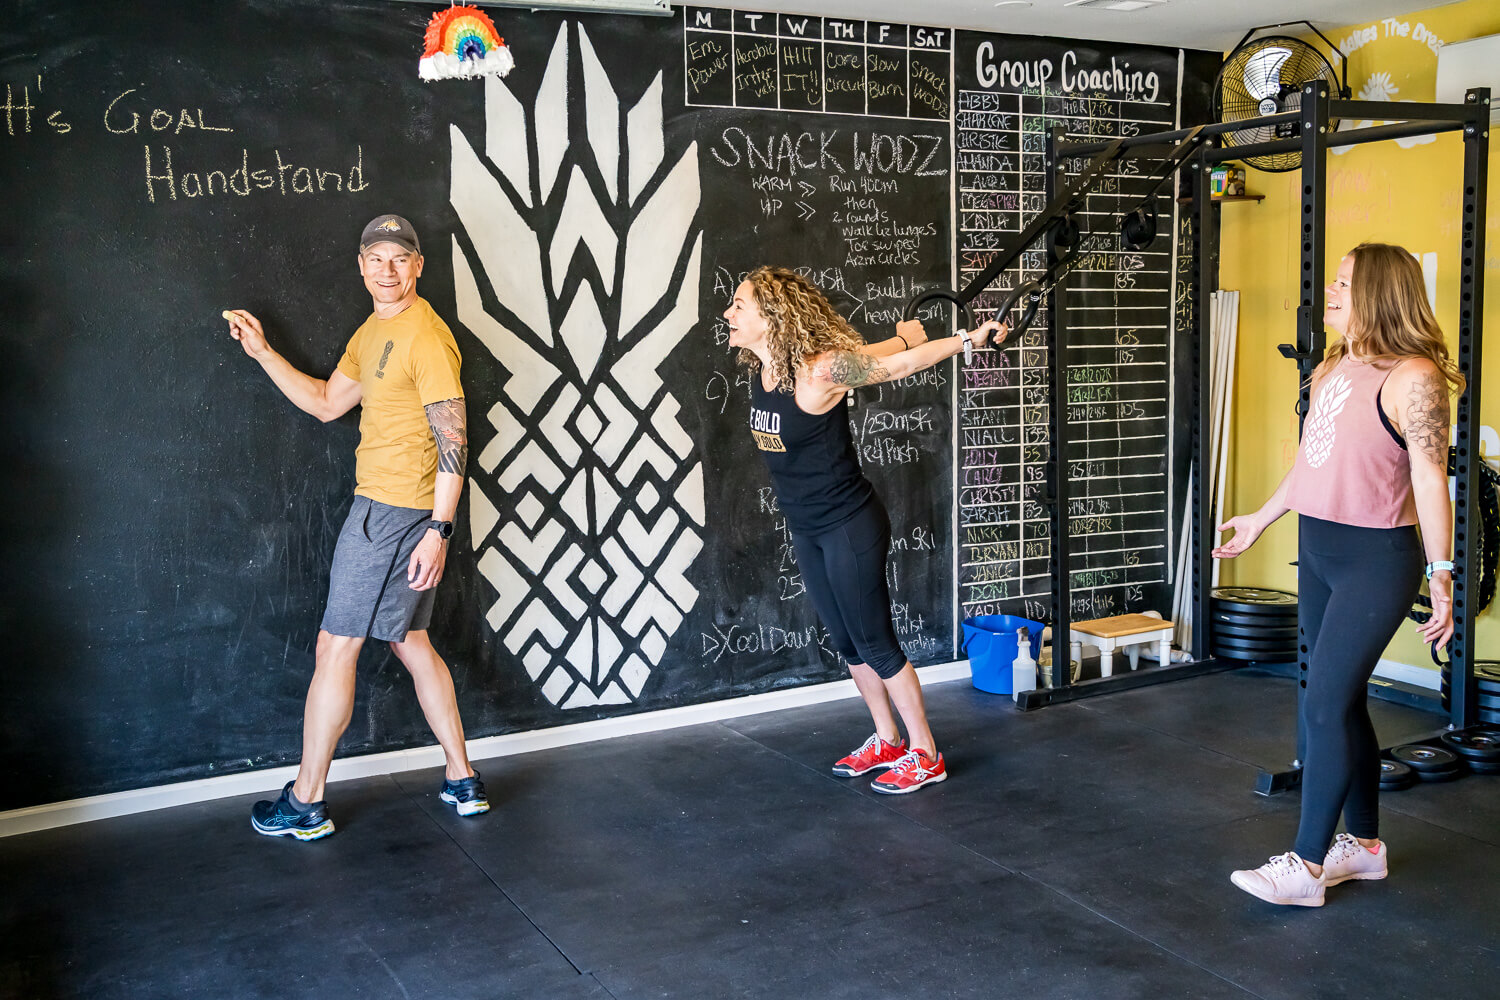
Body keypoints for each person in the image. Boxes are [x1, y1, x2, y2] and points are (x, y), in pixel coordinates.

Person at [226, 214, 489, 840]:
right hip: (393, 511)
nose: (387, 270)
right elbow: (326, 402)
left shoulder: (427, 336)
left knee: (334, 647)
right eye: (376, 258)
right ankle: (462, 779)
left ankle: (306, 800)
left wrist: (439, 530)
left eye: (400, 258)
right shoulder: (372, 333)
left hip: (391, 513)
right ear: (362, 266)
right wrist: (263, 353)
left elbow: (454, 441)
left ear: (418, 266)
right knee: (410, 641)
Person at [1214, 243, 1462, 905]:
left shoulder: (1413, 376)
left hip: (1375, 562)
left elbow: (1431, 479)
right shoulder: (1333, 366)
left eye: (1344, 283)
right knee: (1343, 703)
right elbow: (1311, 463)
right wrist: (1260, 518)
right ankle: (1368, 849)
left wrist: (1442, 574)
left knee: (1321, 704)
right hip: (1319, 552)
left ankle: (1307, 864)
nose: (1329, 290)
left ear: (1378, 293)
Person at [725, 267, 1005, 794]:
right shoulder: (768, 372)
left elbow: (897, 367)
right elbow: (872, 355)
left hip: (848, 526)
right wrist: (901, 336)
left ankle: (926, 752)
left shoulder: (818, 372)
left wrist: (966, 339)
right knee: (847, 642)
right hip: (807, 529)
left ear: (773, 315)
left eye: (739, 305)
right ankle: (887, 739)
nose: (728, 314)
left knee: (875, 641)